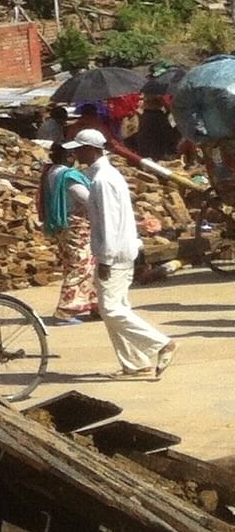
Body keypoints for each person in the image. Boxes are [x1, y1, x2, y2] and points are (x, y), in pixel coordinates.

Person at [78, 129, 174, 380]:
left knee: (110, 310)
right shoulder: (107, 176)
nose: (77, 154)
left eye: (80, 149)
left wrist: (106, 259)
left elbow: (109, 222)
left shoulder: (103, 181)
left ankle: (161, 343)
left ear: (93, 150)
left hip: (115, 253)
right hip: (120, 249)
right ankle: (135, 364)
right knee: (116, 308)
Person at [40, 137, 98, 322]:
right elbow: (85, 198)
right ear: (69, 156)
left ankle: (95, 304)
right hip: (77, 226)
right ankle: (66, 309)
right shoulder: (68, 176)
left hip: (64, 226)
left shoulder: (50, 172)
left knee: (82, 264)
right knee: (82, 265)